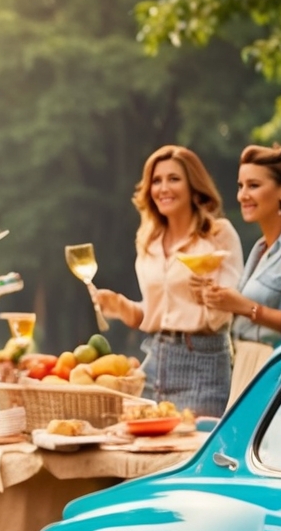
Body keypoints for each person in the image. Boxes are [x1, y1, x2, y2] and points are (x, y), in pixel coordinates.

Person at [92, 145, 244, 418]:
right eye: (157, 180)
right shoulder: (147, 240)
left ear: (193, 186)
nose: (164, 188)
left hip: (203, 363)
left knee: (192, 452)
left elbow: (230, 308)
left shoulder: (218, 234)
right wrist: (122, 307)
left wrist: (211, 296)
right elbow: (153, 314)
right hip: (155, 359)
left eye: (174, 179)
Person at [191, 145, 281, 401]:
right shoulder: (259, 248)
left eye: (253, 185)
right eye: (240, 186)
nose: (242, 195)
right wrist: (216, 297)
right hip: (248, 368)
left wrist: (245, 307)